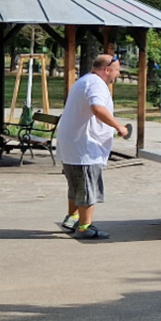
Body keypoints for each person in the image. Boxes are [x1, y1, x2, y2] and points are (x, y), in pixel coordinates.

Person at [57, 53, 130, 240]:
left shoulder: (85, 81)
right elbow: (97, 108)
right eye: (117, 70)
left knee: (76, 186)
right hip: (84, 147)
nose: (118, 74)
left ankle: (72, 217)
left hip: (72, 145)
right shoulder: (96, 84)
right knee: (87, 187)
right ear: (106, 70)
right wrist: (118, 126)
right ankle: (84, 227)